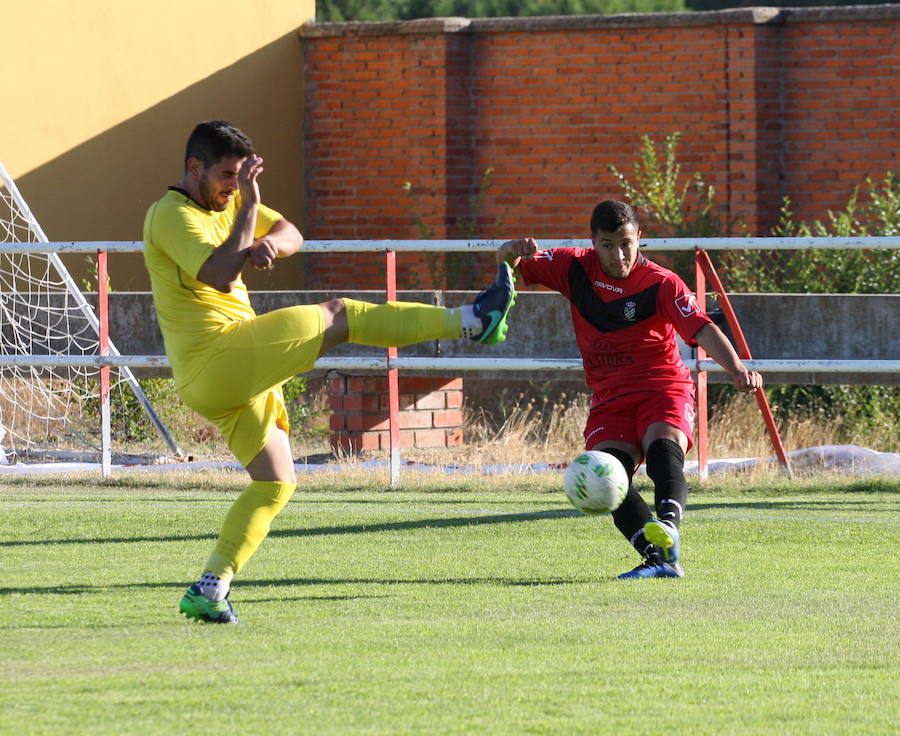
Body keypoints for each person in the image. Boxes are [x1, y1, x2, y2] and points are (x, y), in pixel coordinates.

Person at [143, 120, 516, 622]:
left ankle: (211, 587)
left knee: (275, 483)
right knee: (341, 313)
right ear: (195, 168)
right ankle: (472, 320)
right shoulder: (169, 215)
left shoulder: (227, 201)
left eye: (240, 178)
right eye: (227, 176)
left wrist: (271, 243)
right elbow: (217, 272)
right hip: (218, 358)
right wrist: (251, 207)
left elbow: (291, 230)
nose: (233, 186)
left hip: (230, 375)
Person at [496, 200, 762, 579]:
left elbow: (701, 327)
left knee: (661, 451)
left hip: (662, 387)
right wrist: (510, 251)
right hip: (610, 398)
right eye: (608, 245)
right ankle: (659, 559)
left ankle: (668, 528)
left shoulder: (662, 282)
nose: (619, 255)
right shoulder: (572, 267)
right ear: (593, 242)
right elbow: (511, 260)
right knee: (607, 476)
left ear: (640, 239)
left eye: (626, 243)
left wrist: (736, 367)